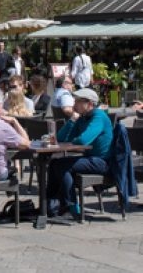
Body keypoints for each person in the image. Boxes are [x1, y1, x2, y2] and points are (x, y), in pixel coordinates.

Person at [47, 88, 113, 218]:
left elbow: (83, 140)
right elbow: (60, 138)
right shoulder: (82, 118)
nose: (74, 104)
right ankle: (51, 205)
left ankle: (70, 207)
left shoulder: (98, 116)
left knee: (62, 166)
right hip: (89, 158)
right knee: (55, 163)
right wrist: (72, 120)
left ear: (89, 104)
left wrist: (74, 141)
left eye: (78, 101)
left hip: (102, 162)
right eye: (74, 101)